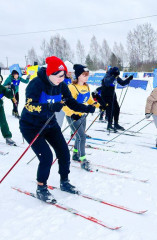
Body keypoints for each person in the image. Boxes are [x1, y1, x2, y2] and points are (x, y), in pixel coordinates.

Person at [19, 56, 96, 203]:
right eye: (60, 76)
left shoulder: (61, 85)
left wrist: (87, 108)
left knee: (63, 151)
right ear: (50, 74)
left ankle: (64, 182)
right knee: (46, 156)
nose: (63, 79)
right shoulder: (36, 84)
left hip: (49, 124)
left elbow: (71, 102)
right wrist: (49, 107)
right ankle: (41, 188)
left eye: (64, 75)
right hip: (31, 126)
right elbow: (29, 106)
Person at [63, 64, 105, 171]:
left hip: (82, 115)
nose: (86, 76)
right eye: (84, 74)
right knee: (82, 137)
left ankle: (76, 154)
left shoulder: (86, 86)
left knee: (79, 136)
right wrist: (72, 114)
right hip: (73, 116)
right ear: (78, 76)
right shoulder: (71, 88)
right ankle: (83, 160)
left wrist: (99, 105)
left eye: (87, 74)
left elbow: (89, 100)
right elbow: (65, 104)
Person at [100, 67, 133, 132]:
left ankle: (116, 124)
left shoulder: (116, 76)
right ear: (114, 73)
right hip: (106, 94)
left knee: (117, 108)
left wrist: (128, 79)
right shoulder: (107, 75)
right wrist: (113, 77)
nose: (117, 76)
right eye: (117, 75)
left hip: (112, 94)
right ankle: (109, 125)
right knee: (110, 110)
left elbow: (122, 83)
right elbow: (107, 83)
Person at [55, 61, 75, 128]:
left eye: (71, 72)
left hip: (67, 104)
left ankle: (73, 132)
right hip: (59, 104)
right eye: (69, 72)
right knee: (58, 121)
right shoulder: (59, 79)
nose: (70, 74)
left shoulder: (70, 79)